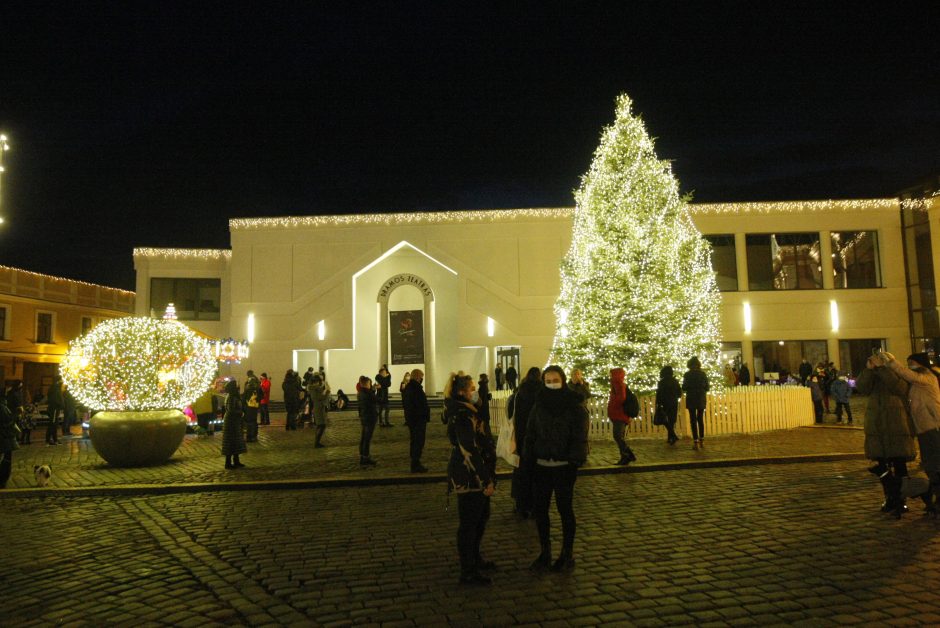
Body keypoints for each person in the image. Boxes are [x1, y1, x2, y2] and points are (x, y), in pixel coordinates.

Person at [525, 366, 590, 573]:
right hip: (542, 465)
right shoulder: (539, 404)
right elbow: (530, 432)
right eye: (548, 380)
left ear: (562, 380)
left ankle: (566, 553)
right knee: (541, 511)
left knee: (565, 510)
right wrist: (530, 458)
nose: (552, 383)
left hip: (563, 467)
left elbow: (579, 436)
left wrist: (573, 460)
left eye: (555, 380)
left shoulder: (573, 405)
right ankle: (545, 552)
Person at [445, 373, 497, 585]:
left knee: (481, 518)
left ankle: (475, 558)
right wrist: (484, 479)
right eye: (472, 388)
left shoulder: (469, 410)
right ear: (462, 392)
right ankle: (468, 570)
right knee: (469, 524)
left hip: (476, 471)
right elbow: (469, 450)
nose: (474, 392)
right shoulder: (462, 414)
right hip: (468, 475)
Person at [855, 353, 916, 516]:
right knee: (881, 465)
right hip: (877, 424)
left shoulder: (896, 372)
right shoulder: (873, 374)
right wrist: (869, 370)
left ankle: (901, 499)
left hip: (896, 423)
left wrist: (883, 368)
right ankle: (889, 497)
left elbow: (900, 387)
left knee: (899, 464)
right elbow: (862, 388)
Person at [882, 352, 940, 515]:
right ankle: (933, 501)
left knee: (936, 465)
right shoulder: (918, 380)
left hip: (933, 426)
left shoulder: (927, 377)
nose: (909, 366)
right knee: (930, 466)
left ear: (920, 364)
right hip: (923, 427)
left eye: (912, 363)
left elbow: (908, 375)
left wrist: (892, 362)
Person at [510, 367, 541, 517]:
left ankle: (521, 505)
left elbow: (511, 413)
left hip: (521, 437)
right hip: (537, 438)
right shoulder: (542, 393)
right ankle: (536, 505)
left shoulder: (520, 392)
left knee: (522, 472)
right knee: (537, 474)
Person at [402, 368, 431, 472]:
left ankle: (415, 462)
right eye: (421, 377)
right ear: (418, 377)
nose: (422, 379)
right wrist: (424, 415)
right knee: (418, 441)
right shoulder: (416, 388)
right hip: (418, 419)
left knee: (414, 441)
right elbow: (419, 404)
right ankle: (415, 463)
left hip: (412, 418)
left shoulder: (409, 387)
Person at [607, 368, 637, 465]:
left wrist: (613, 405)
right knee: (619, 436)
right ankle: (626, 456)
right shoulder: (617, 383)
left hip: (619, 414)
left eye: (611, 374)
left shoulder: (617, 383)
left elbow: (621, 398)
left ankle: (627, 455)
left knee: (617, 436)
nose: (610, 376)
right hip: (619, 414)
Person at [682, 356, 710, 449]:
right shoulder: (702, 374)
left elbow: (684, 387)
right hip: (701, 398)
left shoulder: (687, 375)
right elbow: (707, 387)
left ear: (689, 365)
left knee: (693, 420)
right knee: (700, 419)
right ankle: (702, 439)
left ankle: (695, 441)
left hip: (691, 399)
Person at [222, 379, 247, 469]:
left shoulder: (233, 396)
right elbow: (231, 410)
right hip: (231, 421)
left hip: (235, 421)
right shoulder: (231, 397)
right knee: (230, 441)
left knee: (236, 441)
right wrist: (240, 412)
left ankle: (236, 460)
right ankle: (228, 462)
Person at [656, 365, 682, 445]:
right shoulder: (675, 381)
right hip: (673, 402)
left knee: (665, 420)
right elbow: (679, 392)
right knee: (672, 420)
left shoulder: (662, 382)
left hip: (664, 402)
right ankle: (671, 436)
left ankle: (671, 436)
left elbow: (659, 393)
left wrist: (659, 403)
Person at [357, 376, 379, 466]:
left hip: (364, 417)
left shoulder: (361, 393)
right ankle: (365, 458)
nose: (370, 385)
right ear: (367, 384)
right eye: (370, 383)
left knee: (364, 438)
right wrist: (376, 391)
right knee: (367, 439)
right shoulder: (368, 393)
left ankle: (363, 456)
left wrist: (372, 390)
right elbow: (377, 400)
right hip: (370, 418)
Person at [308, 373, 330, 447]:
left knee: (320, 425)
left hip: (319, 406)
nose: (319, 383)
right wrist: (327, 392)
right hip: (319, 407)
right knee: (321, 425)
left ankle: (317, 442)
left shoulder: (314, 388)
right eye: (318, 381)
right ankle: (316, 443)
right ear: (315, 382)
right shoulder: (315, 388)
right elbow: (320, 397)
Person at [1, 396, 17, 488]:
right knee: (6, 459)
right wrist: (16, 414)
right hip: (4, 437)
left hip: (4, 437)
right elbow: (8, 421)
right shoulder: (2, 408)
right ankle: (2, 480)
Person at [46, 376, 64, 445]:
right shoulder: (55, 388)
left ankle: (54, 439)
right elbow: (56, 398)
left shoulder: (55, 387)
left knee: (55, 424)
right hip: (54, 408)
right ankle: (49, 440)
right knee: (52, 424)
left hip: (55, 408)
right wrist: (60, 404)